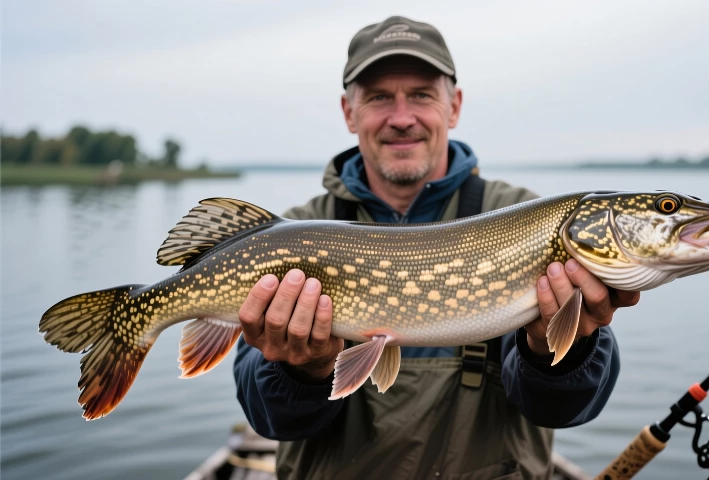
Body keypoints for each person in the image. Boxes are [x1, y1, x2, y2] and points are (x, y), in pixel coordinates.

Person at [233, 15, 640, 479]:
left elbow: (566, 410)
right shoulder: (295, 234)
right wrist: (304, 370)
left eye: (422, 95)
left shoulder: (527, 219)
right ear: (349, 112)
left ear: (454, 106)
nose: (401, 118)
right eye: (379, 97)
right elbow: (269, 418)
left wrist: (560, 349)